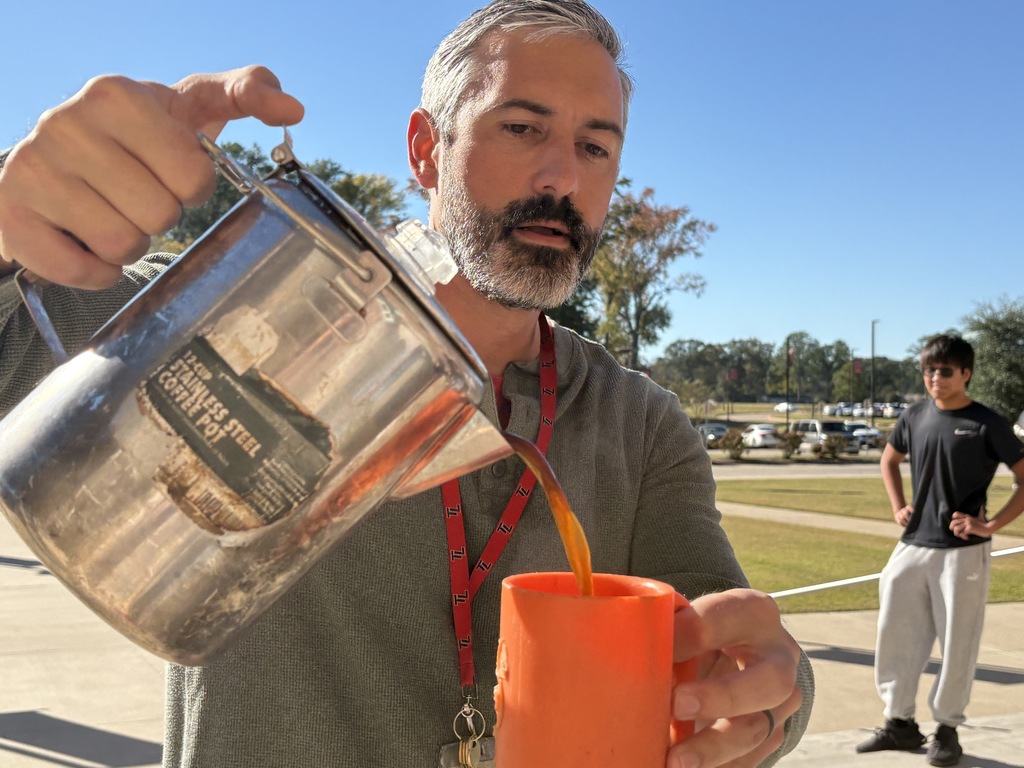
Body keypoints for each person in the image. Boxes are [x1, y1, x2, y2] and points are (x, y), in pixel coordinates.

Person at [0, 2, 814, 766]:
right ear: (426, 148)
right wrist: (13, 218)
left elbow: (727, 639)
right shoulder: (240, 302)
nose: (562, 176)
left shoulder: (640, 426)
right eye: (522, 126)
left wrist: (774, 695)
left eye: (597, 147)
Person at [857, 334, 1024, 766]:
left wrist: (990, 525)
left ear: (965, 374)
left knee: (957, 641)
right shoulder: (914, 416)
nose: (935, 377)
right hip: (913, 543)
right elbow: (889, 460)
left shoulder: (989, 423)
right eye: (929, 370)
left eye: (945, 371)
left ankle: (947, 730)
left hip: (963, 550)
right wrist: (898, 506)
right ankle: (900, 724)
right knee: (894, 630)